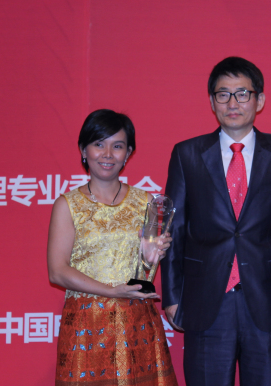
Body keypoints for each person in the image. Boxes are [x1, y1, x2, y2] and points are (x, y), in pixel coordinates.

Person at [160, 56, 271, 386]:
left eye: (242, 93)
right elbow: (174, 228)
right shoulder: (187, 154)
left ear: (260, 100)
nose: (232, 103)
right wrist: (171, 295)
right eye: (223, 94)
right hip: (206, 300)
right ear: (211, 102)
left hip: (269, 299)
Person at [47, 109, 178, 386]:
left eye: (117, 146)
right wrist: (111, 291)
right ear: (83, 150)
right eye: (99, 144)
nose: (107, 154)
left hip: (136, 321)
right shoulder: (67, 205)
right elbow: (57, 271)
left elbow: (145, 269)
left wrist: (150, 256)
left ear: (128, 153)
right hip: (86, 324)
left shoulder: (147, 202)